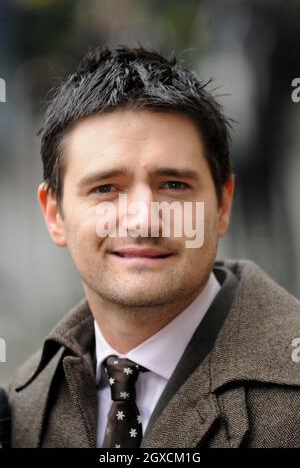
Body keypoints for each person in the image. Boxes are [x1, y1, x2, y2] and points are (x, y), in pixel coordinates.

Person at [6, 45, 300, 448]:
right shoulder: (23, 411)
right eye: (106, 188)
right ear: (55, 214)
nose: (143, 219)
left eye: (174, 185)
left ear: (223, 202)